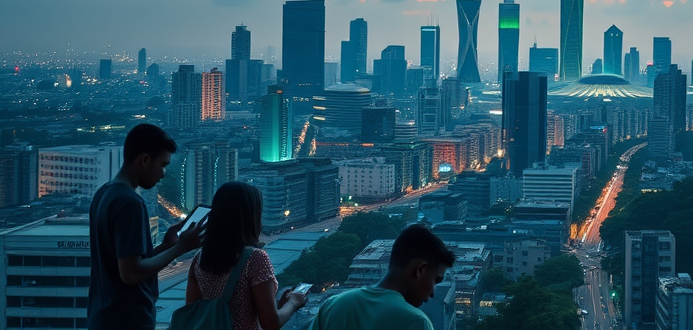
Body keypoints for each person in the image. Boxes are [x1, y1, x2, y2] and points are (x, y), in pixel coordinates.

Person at [88, 123, 206, 330]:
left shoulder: (104, 194)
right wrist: (181, 247)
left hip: (104, 316)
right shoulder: (130, 203)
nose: (163, 174)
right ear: (144, 160)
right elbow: (131, 274)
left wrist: (165, 246)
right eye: (162, 165)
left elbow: (124, 262)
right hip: (127, 320)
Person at [185, 181, 307, 330]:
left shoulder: (200, 258)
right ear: (252, 216)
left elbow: (191, 312)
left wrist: (278, 307)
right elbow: (271, 324)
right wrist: (293, 302)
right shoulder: (256, 259)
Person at [310, 224, 456, 330]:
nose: (432, 292)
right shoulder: (416, 322)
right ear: (420, 270)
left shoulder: (333, 305)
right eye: (436, 280)